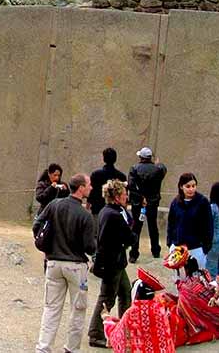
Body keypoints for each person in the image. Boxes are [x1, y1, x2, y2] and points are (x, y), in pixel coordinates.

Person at [33, 173, 96, 353]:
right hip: (76, 265)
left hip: (53, 263)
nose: (91, 187)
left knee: (51, 308)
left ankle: (43, 348)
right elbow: (90, 247)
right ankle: (71, 348)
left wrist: (45, 246)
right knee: (77, 310)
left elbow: (37, 225)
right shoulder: (85, 215)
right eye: (89, 184)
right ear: (81, 188)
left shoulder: (54, 205)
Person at [88, 179, 135, 348]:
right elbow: (128, 236)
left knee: (125, 293)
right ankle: (95, 334)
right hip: (111, 263)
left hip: (116, 262)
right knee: (107, 298)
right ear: (116, 196)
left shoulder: (110, 211)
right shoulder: (113, 215)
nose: (126, 196)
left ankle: (125, 329)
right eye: (123, 194)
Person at [127, 147, 166, 263]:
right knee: (153, 226)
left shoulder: (134, 168)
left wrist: (140, 197)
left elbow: (131, 186)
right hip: (152, 202)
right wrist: (158, 164)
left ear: (141, 157)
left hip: (138, 203)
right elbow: (162, 169)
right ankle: (155, 250)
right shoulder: (158, 169)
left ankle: (134, 254)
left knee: (136, 228)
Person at [166, 173, 213, 270]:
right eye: (188, 186)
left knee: (197, 280)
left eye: (193, 186)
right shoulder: (175, 202)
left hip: (197, 248)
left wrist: (205, 248)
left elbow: (208, 225)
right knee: (180, 280)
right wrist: (170, 243)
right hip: (178, 249)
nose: (191, 189)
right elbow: (171, 224)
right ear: (181, 187)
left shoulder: (202, 202)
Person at [88, 148, 127, 217]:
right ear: (115, 158)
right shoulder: (121, 176)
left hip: (98, 209)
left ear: (103, 158)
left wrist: (88, 204)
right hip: (116, 210)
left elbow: (92, 192)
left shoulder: (96, 174)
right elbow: (124, 194)